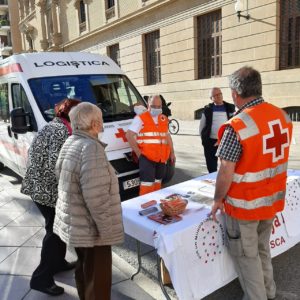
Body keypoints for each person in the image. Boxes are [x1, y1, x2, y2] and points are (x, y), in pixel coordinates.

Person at [211, 66, 293, 300]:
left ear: (236, 93)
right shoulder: (282, 116)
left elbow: (226, 170)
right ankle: (269, 292)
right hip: (271, 201)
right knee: (262, 250)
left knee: (247, 258)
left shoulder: (237, 126)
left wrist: (217, 199)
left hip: (244, 207)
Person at [53, 102, 124, 300]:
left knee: (84, 271)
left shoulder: (71, 142)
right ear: (93, 124)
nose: (102, 124)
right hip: (92, 231)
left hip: (77, 225)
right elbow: (97, 198)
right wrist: (108, 231)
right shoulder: (91, 148)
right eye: (100, 120)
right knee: (98, 280)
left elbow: (60, 175)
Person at [21, 98, 81, 296]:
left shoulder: (53, 126)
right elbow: (58, 166)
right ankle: (41, 278)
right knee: (55, 233)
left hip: (40, 187)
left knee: (55, 228)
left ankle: (57, 263)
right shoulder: (61, 132)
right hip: (48, 191)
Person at [126, 94, 176, 195]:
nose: (156, 109)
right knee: (147, 187)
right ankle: (145, 207)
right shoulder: (141, 118)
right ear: (148, 104)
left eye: (159, 107)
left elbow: (167, 136)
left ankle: (155, 204)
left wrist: (172, 152)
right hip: (147, 158)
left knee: (158, 184)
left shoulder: (163, 119)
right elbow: (129, 136)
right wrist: (139, 154)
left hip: (161, 158)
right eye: (153, 106)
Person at [199, 87, 235, 173]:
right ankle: (213, 181)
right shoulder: (207, 110)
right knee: (211, 167)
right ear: (211, 98)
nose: (218, 96)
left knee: (227, 166)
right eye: (215, 95)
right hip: (210, 142)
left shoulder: (230, 108)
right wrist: (204, 140)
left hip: (226, 141)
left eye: (220, 94)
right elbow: (201, 127)